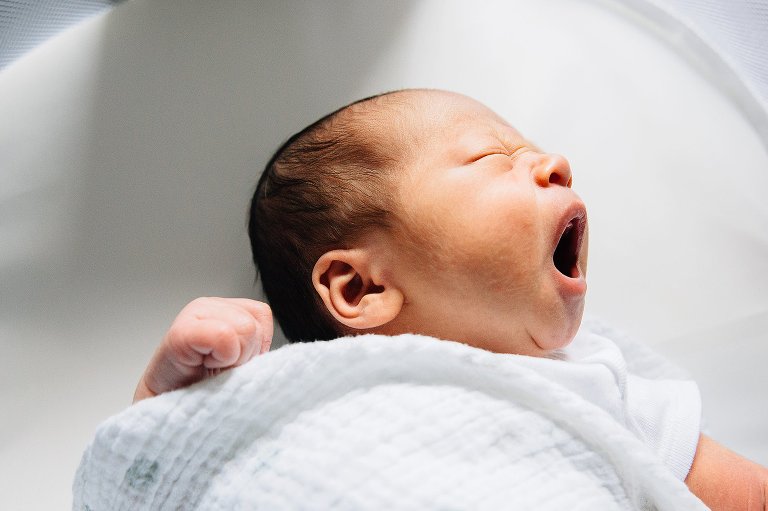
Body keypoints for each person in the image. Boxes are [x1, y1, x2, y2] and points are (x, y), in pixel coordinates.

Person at [133, 89, 767, 510]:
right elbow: (168, 482)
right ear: (361, 288)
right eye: (494, 157)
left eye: (534, 151)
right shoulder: (302, 401)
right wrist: (172, 409)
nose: (555, 163)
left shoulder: (593, 379)